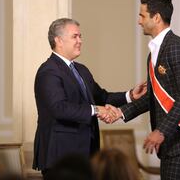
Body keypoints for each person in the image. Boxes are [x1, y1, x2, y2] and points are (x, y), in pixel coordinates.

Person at [104, 0, 180, 180]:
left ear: (156, 18)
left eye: (142, 16)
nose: (139, 21)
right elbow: (153, 98)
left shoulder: (177, 47)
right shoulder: (155, 52)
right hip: (172, 142)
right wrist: (120, 112)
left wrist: (161, 130)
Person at [32, 18, 147, 177]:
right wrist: (95, 109)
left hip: (87, 153)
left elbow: (102, 97)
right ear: (58, 40)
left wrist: (130, 95)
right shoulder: (49, 71)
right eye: (75, 37)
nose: (80, 41)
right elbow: (59, 108)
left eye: (80, 36)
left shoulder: (81, 70)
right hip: (61, 156)